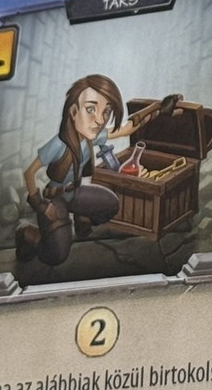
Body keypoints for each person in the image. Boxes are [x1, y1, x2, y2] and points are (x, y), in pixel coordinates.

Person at [16, 74, 133, 266]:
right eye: (90, 110)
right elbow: (29, 173)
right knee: (57, 256)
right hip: (55, 198)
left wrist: (159, 109)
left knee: (111, 204)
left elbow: (127, 129)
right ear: (73, 111)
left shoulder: (91, 136)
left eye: (106, 112)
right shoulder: (59, 144)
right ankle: (27, 232)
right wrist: (41, 205)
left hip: (76, 193)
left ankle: (81, 216)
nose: (99, 120)